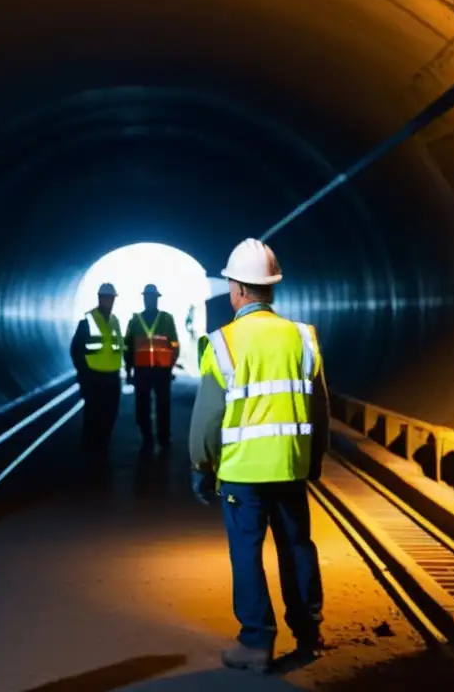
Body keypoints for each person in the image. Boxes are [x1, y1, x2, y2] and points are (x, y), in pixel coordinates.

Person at [189, 238, 330, 674]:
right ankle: (309, 631)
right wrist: (315, 458)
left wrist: (201, 466)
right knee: (297, 547)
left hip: (242, 474)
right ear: (269, 288)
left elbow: (209, 418)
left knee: (247, 553)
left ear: (239, 290)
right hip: (290, 466)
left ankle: (256, 643)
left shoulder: (224, 343)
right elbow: (319, 406)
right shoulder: (302, 338)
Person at [70, 282, 124, 466]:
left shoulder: (115, 321)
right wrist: (84, 374)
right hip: (93, 378)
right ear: (100, 298)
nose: (109, 301)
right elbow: (76, 350)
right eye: (106, 298)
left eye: (111, 298)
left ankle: (102, 447)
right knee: (93, 415)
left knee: (110, 414)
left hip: (113, 377)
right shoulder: (87, 321)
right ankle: (89, 451)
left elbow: (118, 347)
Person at [124, 284, 180, 453]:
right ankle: (147, 437)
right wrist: (128, 371)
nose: (149, 300)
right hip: (141, 370)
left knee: (163, 406)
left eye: (152, 297)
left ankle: (163, 438)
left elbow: (174, 344)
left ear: (157, 299)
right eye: (147, 297)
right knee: (142, 407)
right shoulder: (135, 320)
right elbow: (128, 346)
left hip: (162, 370)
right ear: (144, 298)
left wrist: (171, 365)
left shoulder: (166, 319)